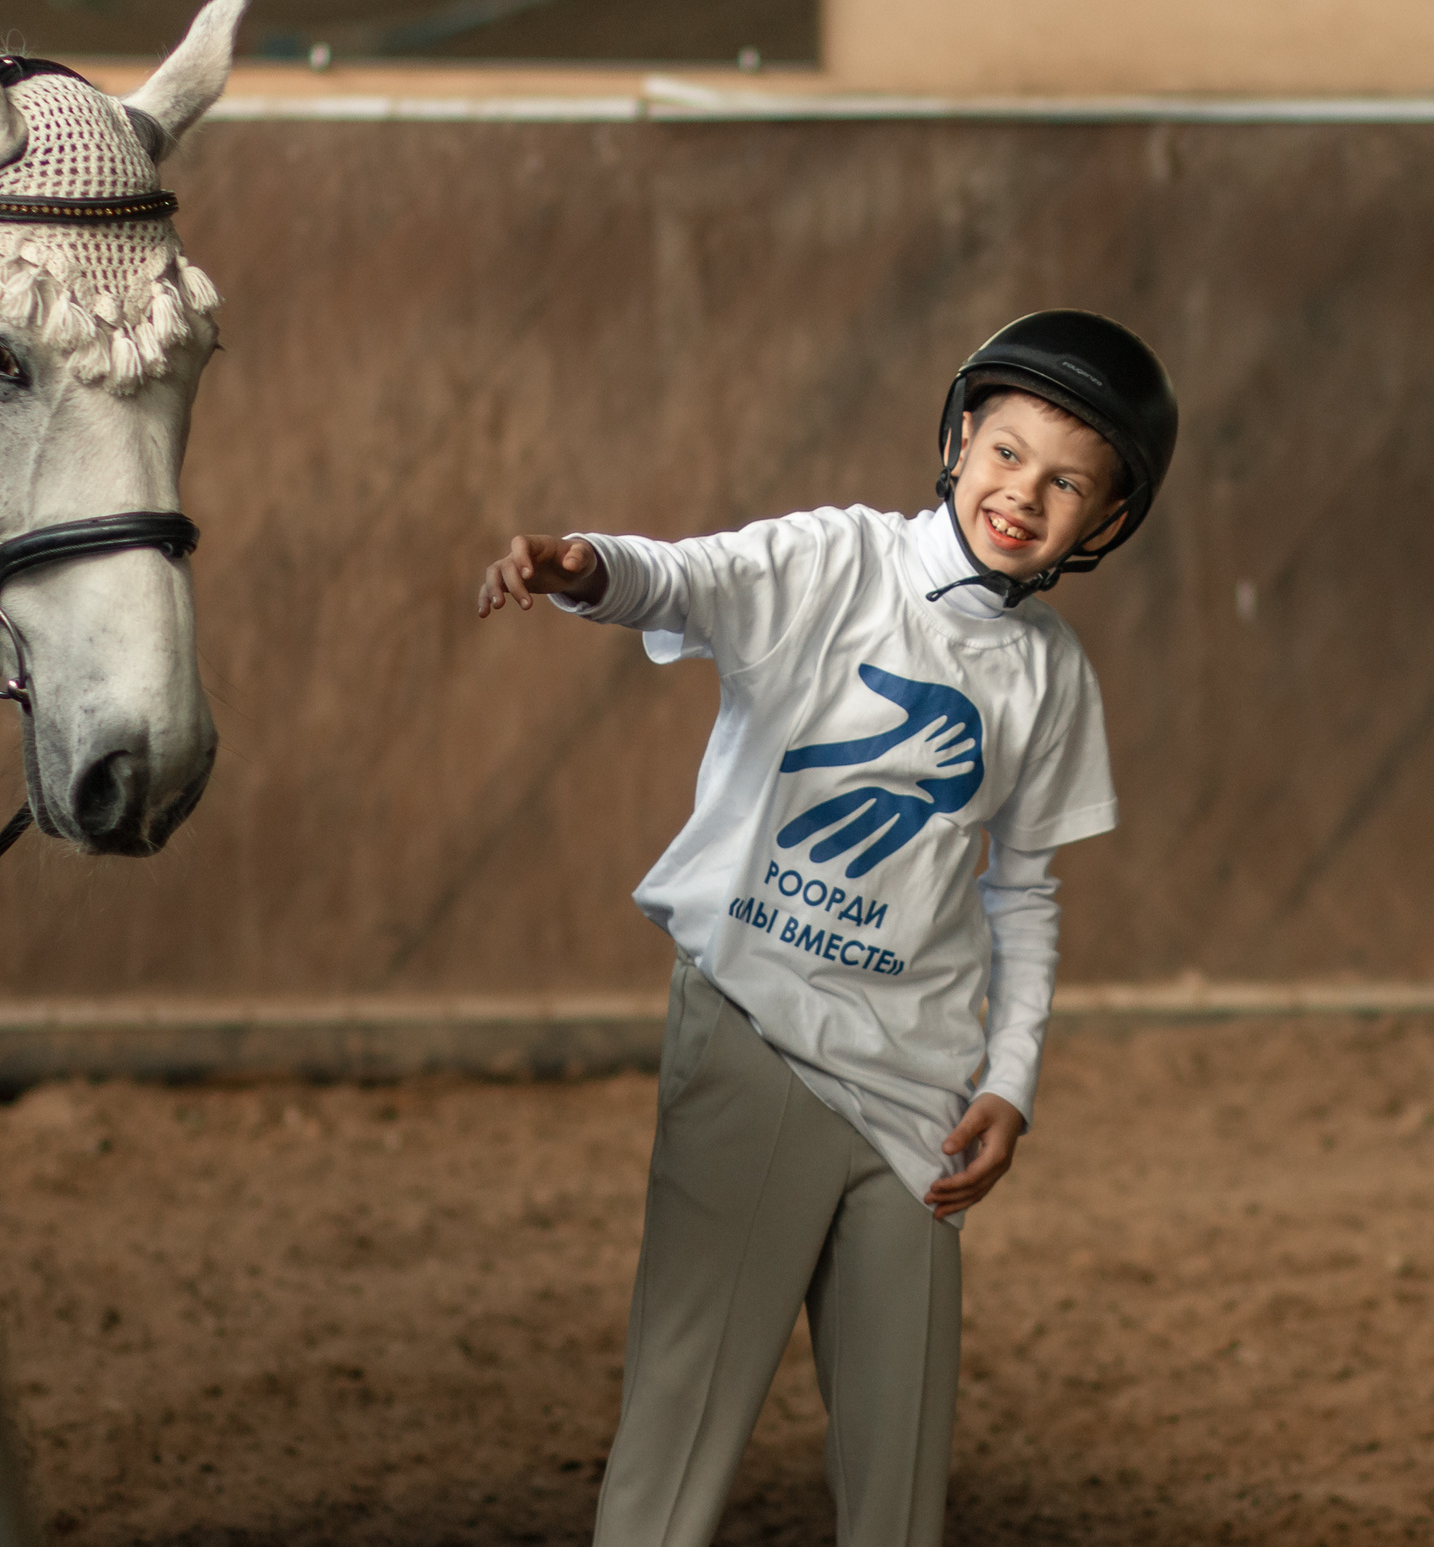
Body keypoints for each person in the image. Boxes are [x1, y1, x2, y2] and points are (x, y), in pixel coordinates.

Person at [473, 309, 1178, 1547]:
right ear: (959, 438)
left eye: (1069, 483)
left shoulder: (1051, 674)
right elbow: (687, 578)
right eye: (1007, 452)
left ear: (1104, 520)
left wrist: (1008, 1079)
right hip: (762, 1036)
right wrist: (581, 565)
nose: (1024, 494)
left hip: (917, 1089)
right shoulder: (839, 563)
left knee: (900, 1475)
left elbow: (1023, 891)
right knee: (681, 1438)